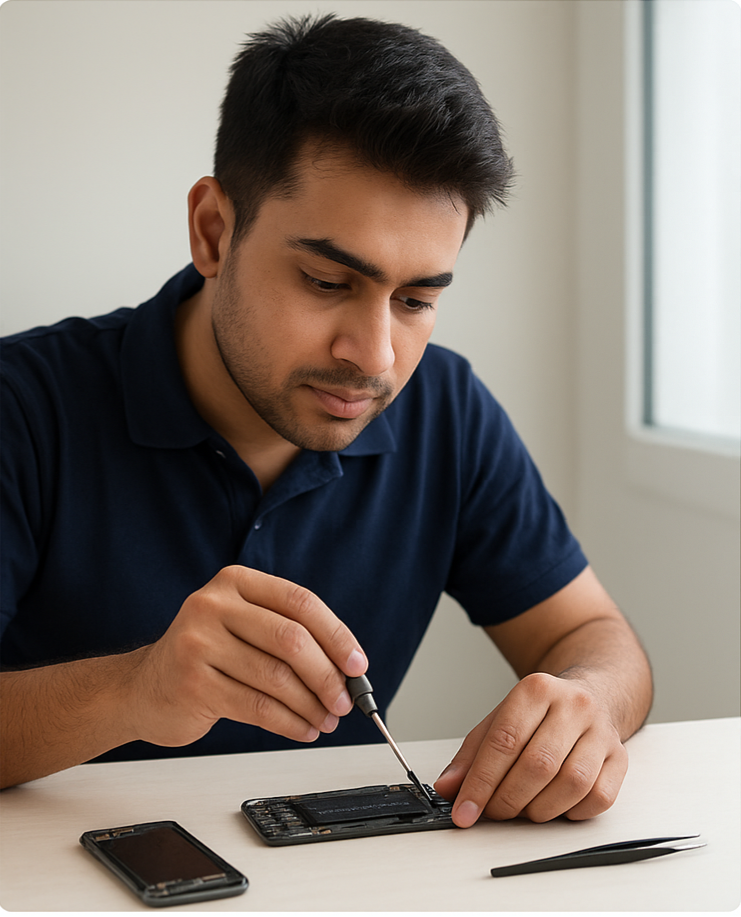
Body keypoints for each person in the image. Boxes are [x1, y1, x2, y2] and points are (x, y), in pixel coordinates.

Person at [0, 14, 652, 826]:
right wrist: (134, 689)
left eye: (417, 300)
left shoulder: (444, 408)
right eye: (325, 281)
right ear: (213, 230)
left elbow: (593, 632)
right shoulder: (22, 408)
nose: (374, 355)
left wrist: (587, 699)